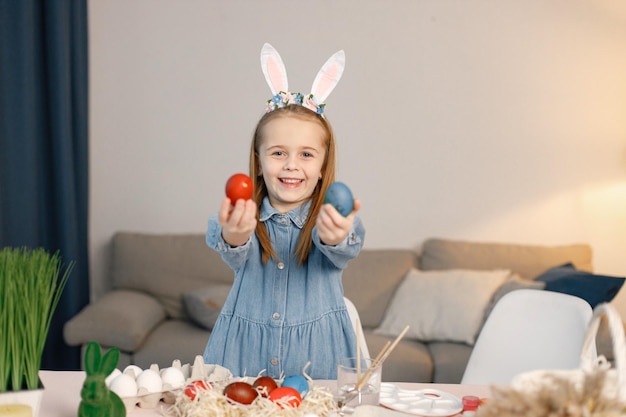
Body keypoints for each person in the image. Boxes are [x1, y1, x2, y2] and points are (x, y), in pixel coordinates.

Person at [202, 43, 365, 379]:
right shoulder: (244, 217)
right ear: (259, 162)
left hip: (319, 360)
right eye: (278, 153)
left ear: (323, 166)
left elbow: (343, 246)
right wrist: (234, 234)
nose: (292, 165)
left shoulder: (329, 219)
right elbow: (232, 248)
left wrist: (336, 237)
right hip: (243, 358)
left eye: (306, 154)